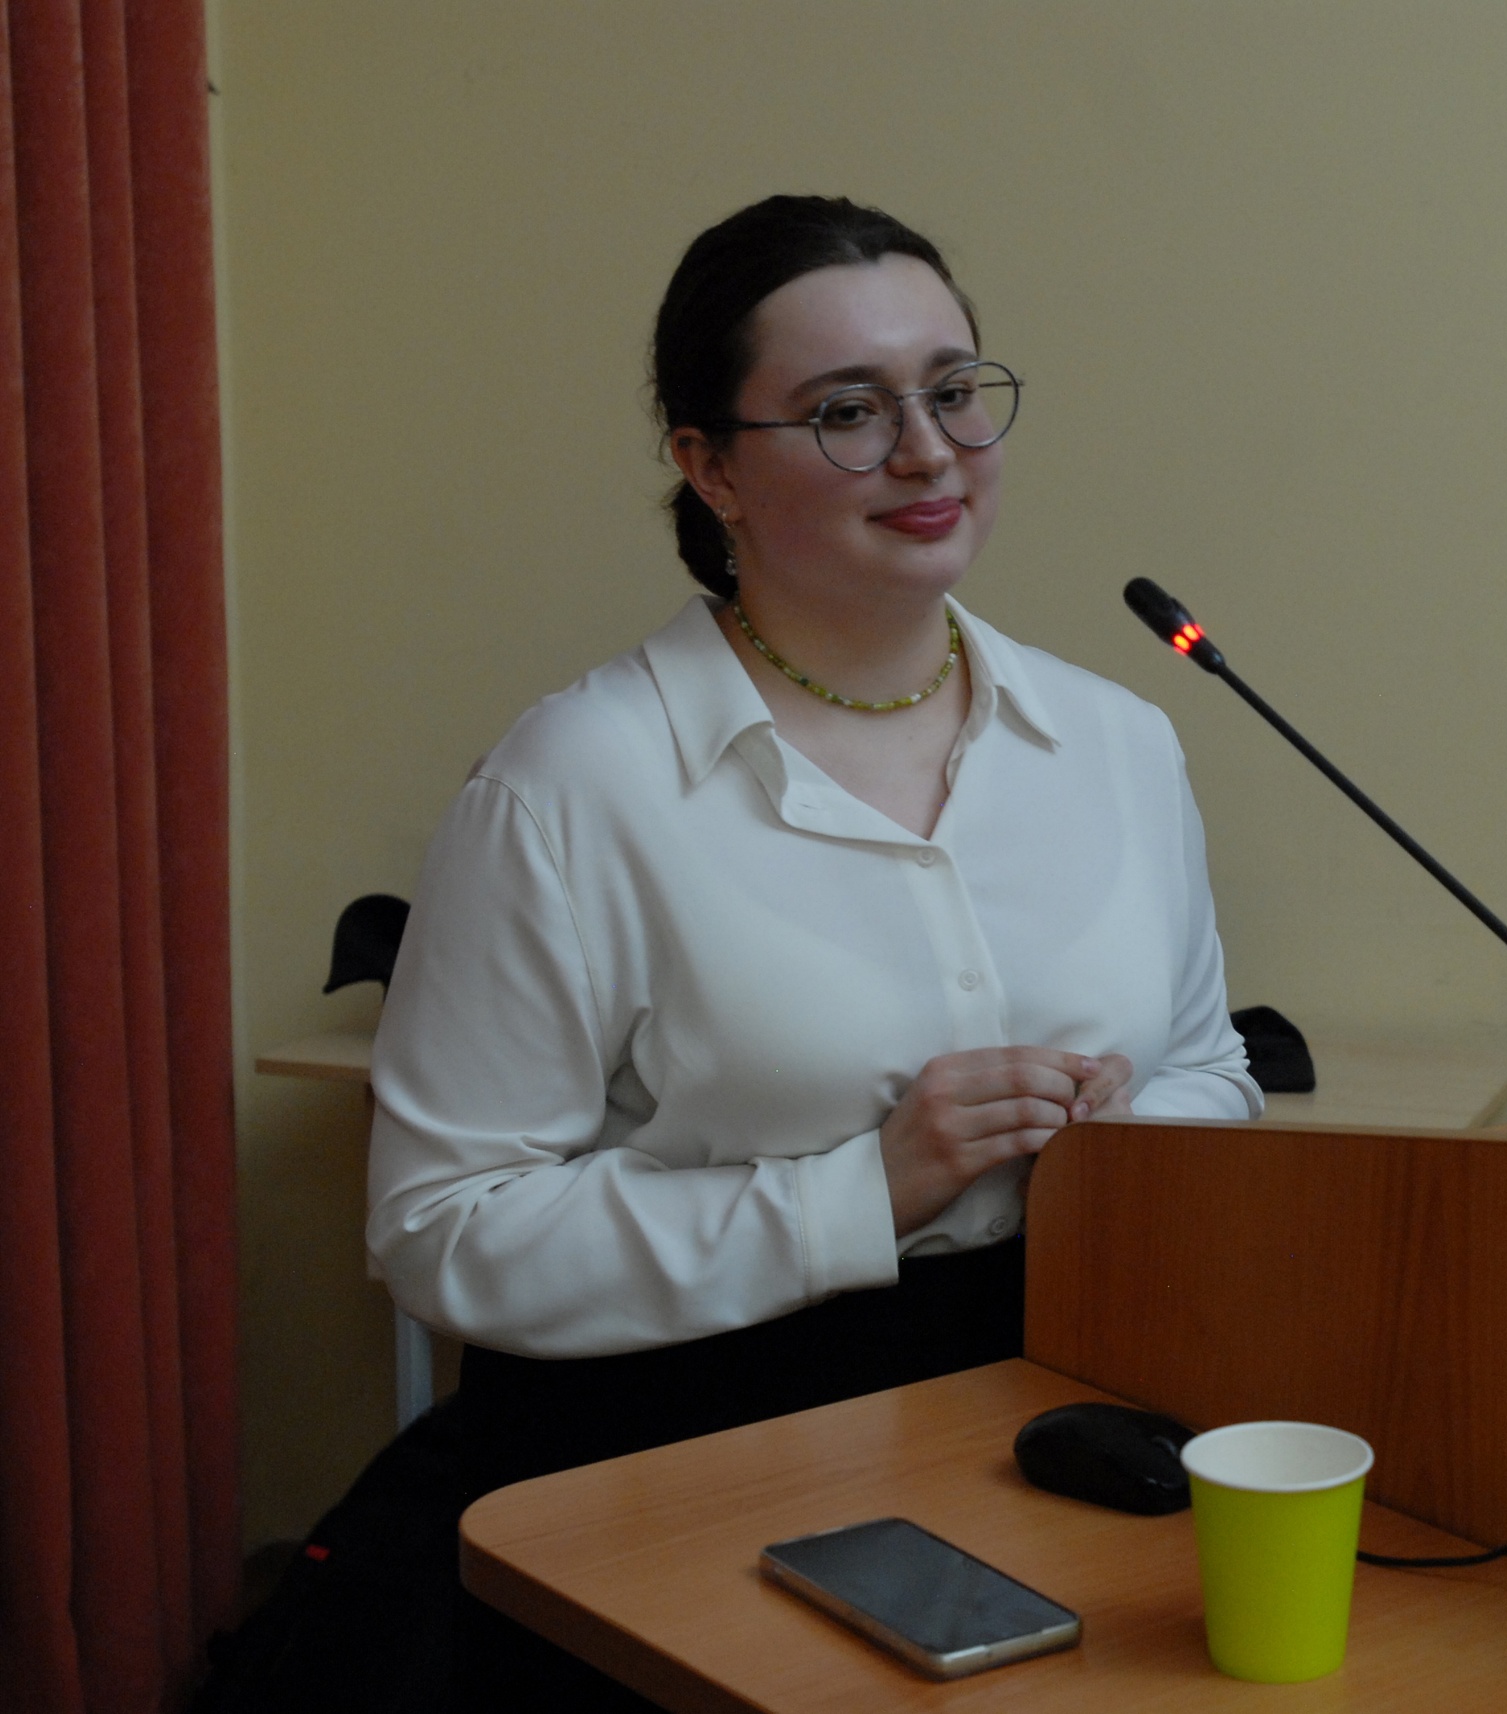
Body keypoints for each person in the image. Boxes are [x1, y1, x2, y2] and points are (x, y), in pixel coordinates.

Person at [359, 195, 1259, 1707]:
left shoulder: (1118, 742)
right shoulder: (571, 786)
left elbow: (1212, 1068)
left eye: (953, 390)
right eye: (848, 411)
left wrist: (1125, 1148)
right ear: (708, 465)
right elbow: (443, 1229)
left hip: (1057, 1404)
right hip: (678, 1449)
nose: (927, 452)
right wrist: (864, 1191)